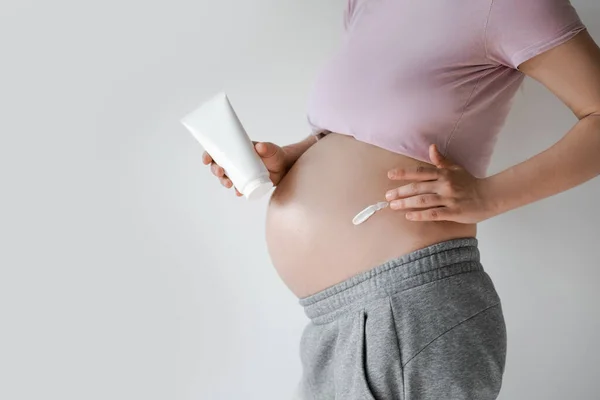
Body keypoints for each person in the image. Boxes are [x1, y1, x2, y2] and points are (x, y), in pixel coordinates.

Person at [202, 0, 600, 398]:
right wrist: (291, 158)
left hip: (412, 306)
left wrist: (489, 196)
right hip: (328, 319)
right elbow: (364, 128)